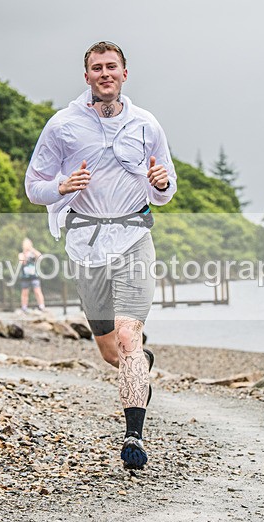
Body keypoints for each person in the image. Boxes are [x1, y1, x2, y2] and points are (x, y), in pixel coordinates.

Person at [25, 41, 177, 469]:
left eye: (112, 66)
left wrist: (162, 184)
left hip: (133, 238)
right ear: (87, 76)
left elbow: (165, 189)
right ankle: (139, 364)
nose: (105, 73)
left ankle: (134, 438)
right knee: (113, 351)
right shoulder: (62, 126)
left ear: (124, 74)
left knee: (129, 336)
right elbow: (33, 186)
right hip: (86, 244)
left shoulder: (146, 124)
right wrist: (61, 187)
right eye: (97, 68)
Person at [18, 238, 46, 312]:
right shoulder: (21, 254)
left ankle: (41, 306)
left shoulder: (33, 254)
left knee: (37, 291)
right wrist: (25, 254)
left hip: (34, 276)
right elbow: (22, 262)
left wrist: (32, 250)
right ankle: (24, 307)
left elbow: (40, 257)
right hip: (25, 276)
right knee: (24, 292)